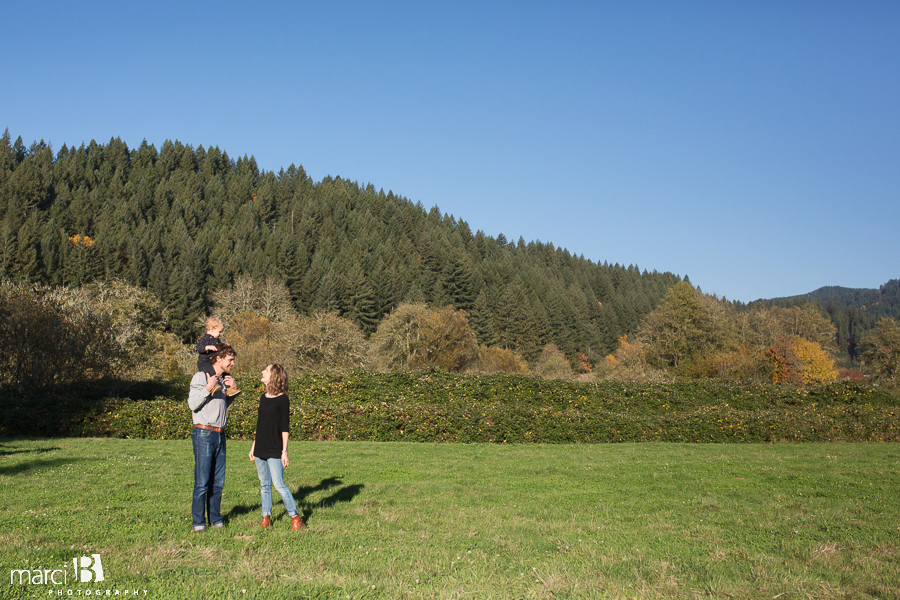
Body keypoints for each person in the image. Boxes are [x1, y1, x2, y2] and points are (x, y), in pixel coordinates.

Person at [187, 343, 239, 533]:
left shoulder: (224, 379)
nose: (232, 364)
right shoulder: (201, 377)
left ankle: (216, 519)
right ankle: (199, 523)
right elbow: (193, 404)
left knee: (218, 482)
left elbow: (222, 406)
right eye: (230, 360)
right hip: (203, 433)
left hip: (220, 435)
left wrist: (232, 391)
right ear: (218, 358)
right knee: (202, 482)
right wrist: (208, 388)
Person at [248, 363, 304, 531]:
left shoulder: (283, 399)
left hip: (275, 449)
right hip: (260, 449)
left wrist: (284, 452)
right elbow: (261, 425)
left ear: (274, 376)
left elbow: (285, 427)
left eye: (266, 370)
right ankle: (266, 518)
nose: (262, 372)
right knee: (264, 484)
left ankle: (295, 518)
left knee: (279, 484)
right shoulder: (263, 397)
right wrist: (253, 447)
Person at [196, 317, 241, 397]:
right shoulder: (204, 339)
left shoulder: (217, 340)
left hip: (213, 361)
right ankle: (213, 387)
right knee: (211, 372)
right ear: (212, 329)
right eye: (219, 332)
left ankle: (228, 388)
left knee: (225, 372)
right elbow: (199, 348)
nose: (220, 334)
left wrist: (224, 345)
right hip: (204, 362)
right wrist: (207, 347)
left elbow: (220, 348)